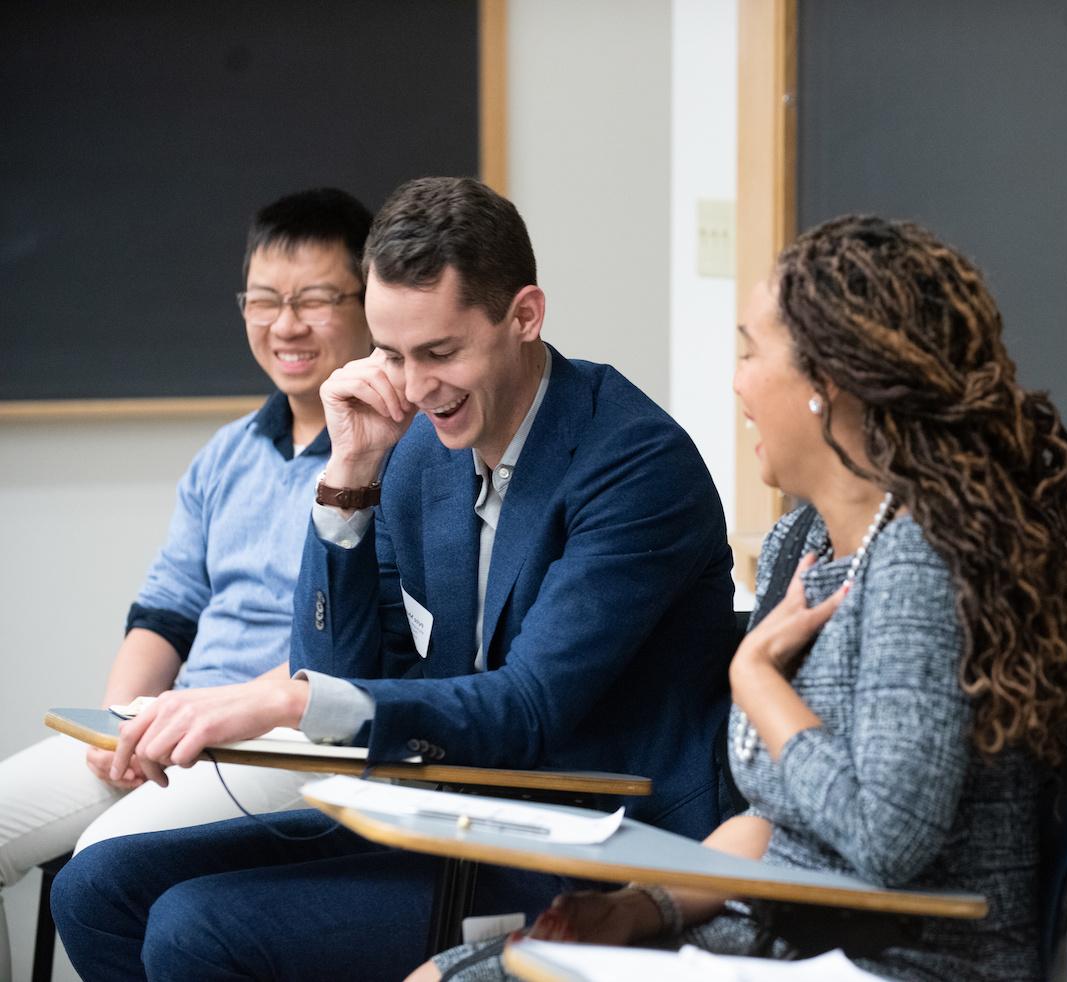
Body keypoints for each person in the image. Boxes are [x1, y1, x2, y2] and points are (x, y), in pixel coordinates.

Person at [51, 177, 735, 982]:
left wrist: (285, 698)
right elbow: (336, 667)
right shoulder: (416, 450)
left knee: (197, 929)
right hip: (445, 813)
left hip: (589, 841)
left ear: (524, 316)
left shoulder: (633, 462)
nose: (411, 389)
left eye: (440, 353)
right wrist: (348, 476)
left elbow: (529, 707)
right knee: (95, 887)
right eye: (391, 355)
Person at [412, 215, 1067, 982]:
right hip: (774, 943)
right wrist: (639, 907)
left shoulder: (921, 561)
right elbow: (775, 824)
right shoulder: (799, 544)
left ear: (828, 381)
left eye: (750, 351)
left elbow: (885, 840)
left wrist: (756, 680)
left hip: (894, 965)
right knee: (450, 973)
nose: (736, 381)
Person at [0, 187, 373, 969]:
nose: (285, 326)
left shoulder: (392, 454)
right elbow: (166, 614)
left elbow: (359, 645)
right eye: (264, 300)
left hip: (288, 735)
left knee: (101, 861)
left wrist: (204, 718)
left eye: (313, 300)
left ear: (369, 301)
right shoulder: (227, 451)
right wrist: (117, 724)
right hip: (169, 722)